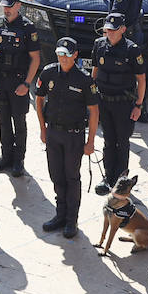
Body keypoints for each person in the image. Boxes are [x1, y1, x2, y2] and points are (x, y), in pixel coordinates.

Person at [35, 37, 99, 237]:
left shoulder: (85, 80)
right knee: (56, 175)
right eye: (60, 54)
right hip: (54, 132)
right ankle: (60, 215)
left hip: (74, 135)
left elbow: (94, 111)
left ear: (75, 55)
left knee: (72, 177)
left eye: (67, 54)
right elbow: (39, 99)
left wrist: (91, 141)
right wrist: (43, 129)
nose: (63, 58)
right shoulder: (48, 73)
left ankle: (72, 220)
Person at [0, 0, 42, 177]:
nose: (6, 10)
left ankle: (19, 159)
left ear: (18, 6)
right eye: (4, 7)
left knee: (19, 121)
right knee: (3, 120)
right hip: (0, 81)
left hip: (18, 82)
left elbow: (35, 58)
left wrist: (27, 83)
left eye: (10, 6)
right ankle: (5, 156)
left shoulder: (27, 27)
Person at [92, 13, 147, 195]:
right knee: (108, 140)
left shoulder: (132, 50)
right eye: (108, 30)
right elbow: (95, 72)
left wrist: (138, 105)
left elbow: (141, 79)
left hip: (123, 104)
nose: (110, 33)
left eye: (114, 30)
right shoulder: (99, 45)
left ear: (123, 29)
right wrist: (91, 99)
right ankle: (108, 177)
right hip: (104, 101)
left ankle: (121, 180)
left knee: (122, 142)